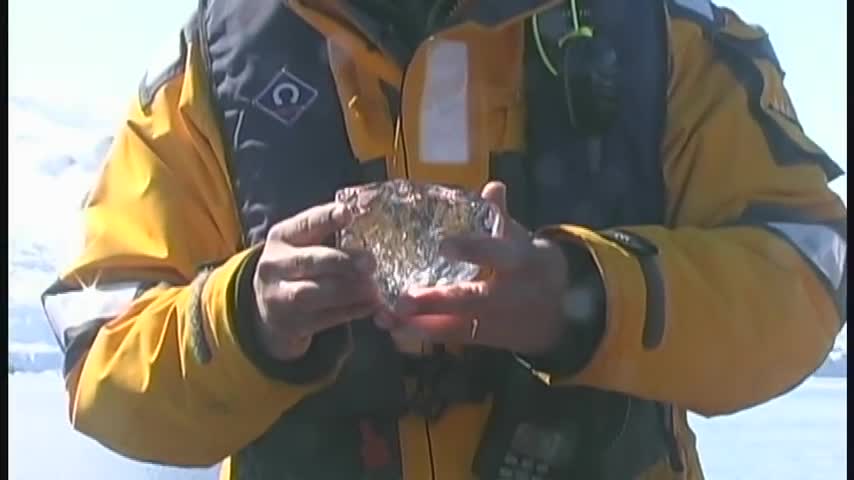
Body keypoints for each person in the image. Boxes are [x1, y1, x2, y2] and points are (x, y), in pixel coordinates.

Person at [41, 0, 847, 479]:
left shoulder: (669, 36)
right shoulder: (210, 66)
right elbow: (100, 356)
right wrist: (249, 319)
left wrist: (586, 297)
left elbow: (805, 275)